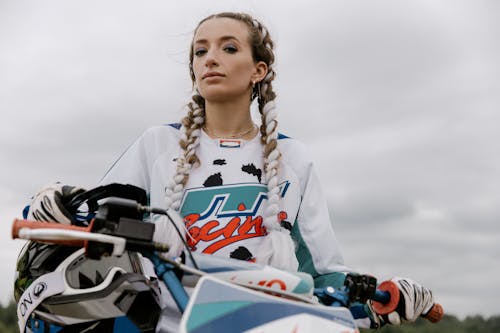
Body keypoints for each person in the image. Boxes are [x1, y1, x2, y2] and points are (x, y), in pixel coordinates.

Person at [21, 12, 435, 332]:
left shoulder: (294, 158)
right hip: (170, 322)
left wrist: (384, 297)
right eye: (200, 51)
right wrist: (55, 200)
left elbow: (323, 273)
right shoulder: (157, 145)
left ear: (259, 70)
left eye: (228, 48)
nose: (210, 58)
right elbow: (94, 219)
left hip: (268, 321)